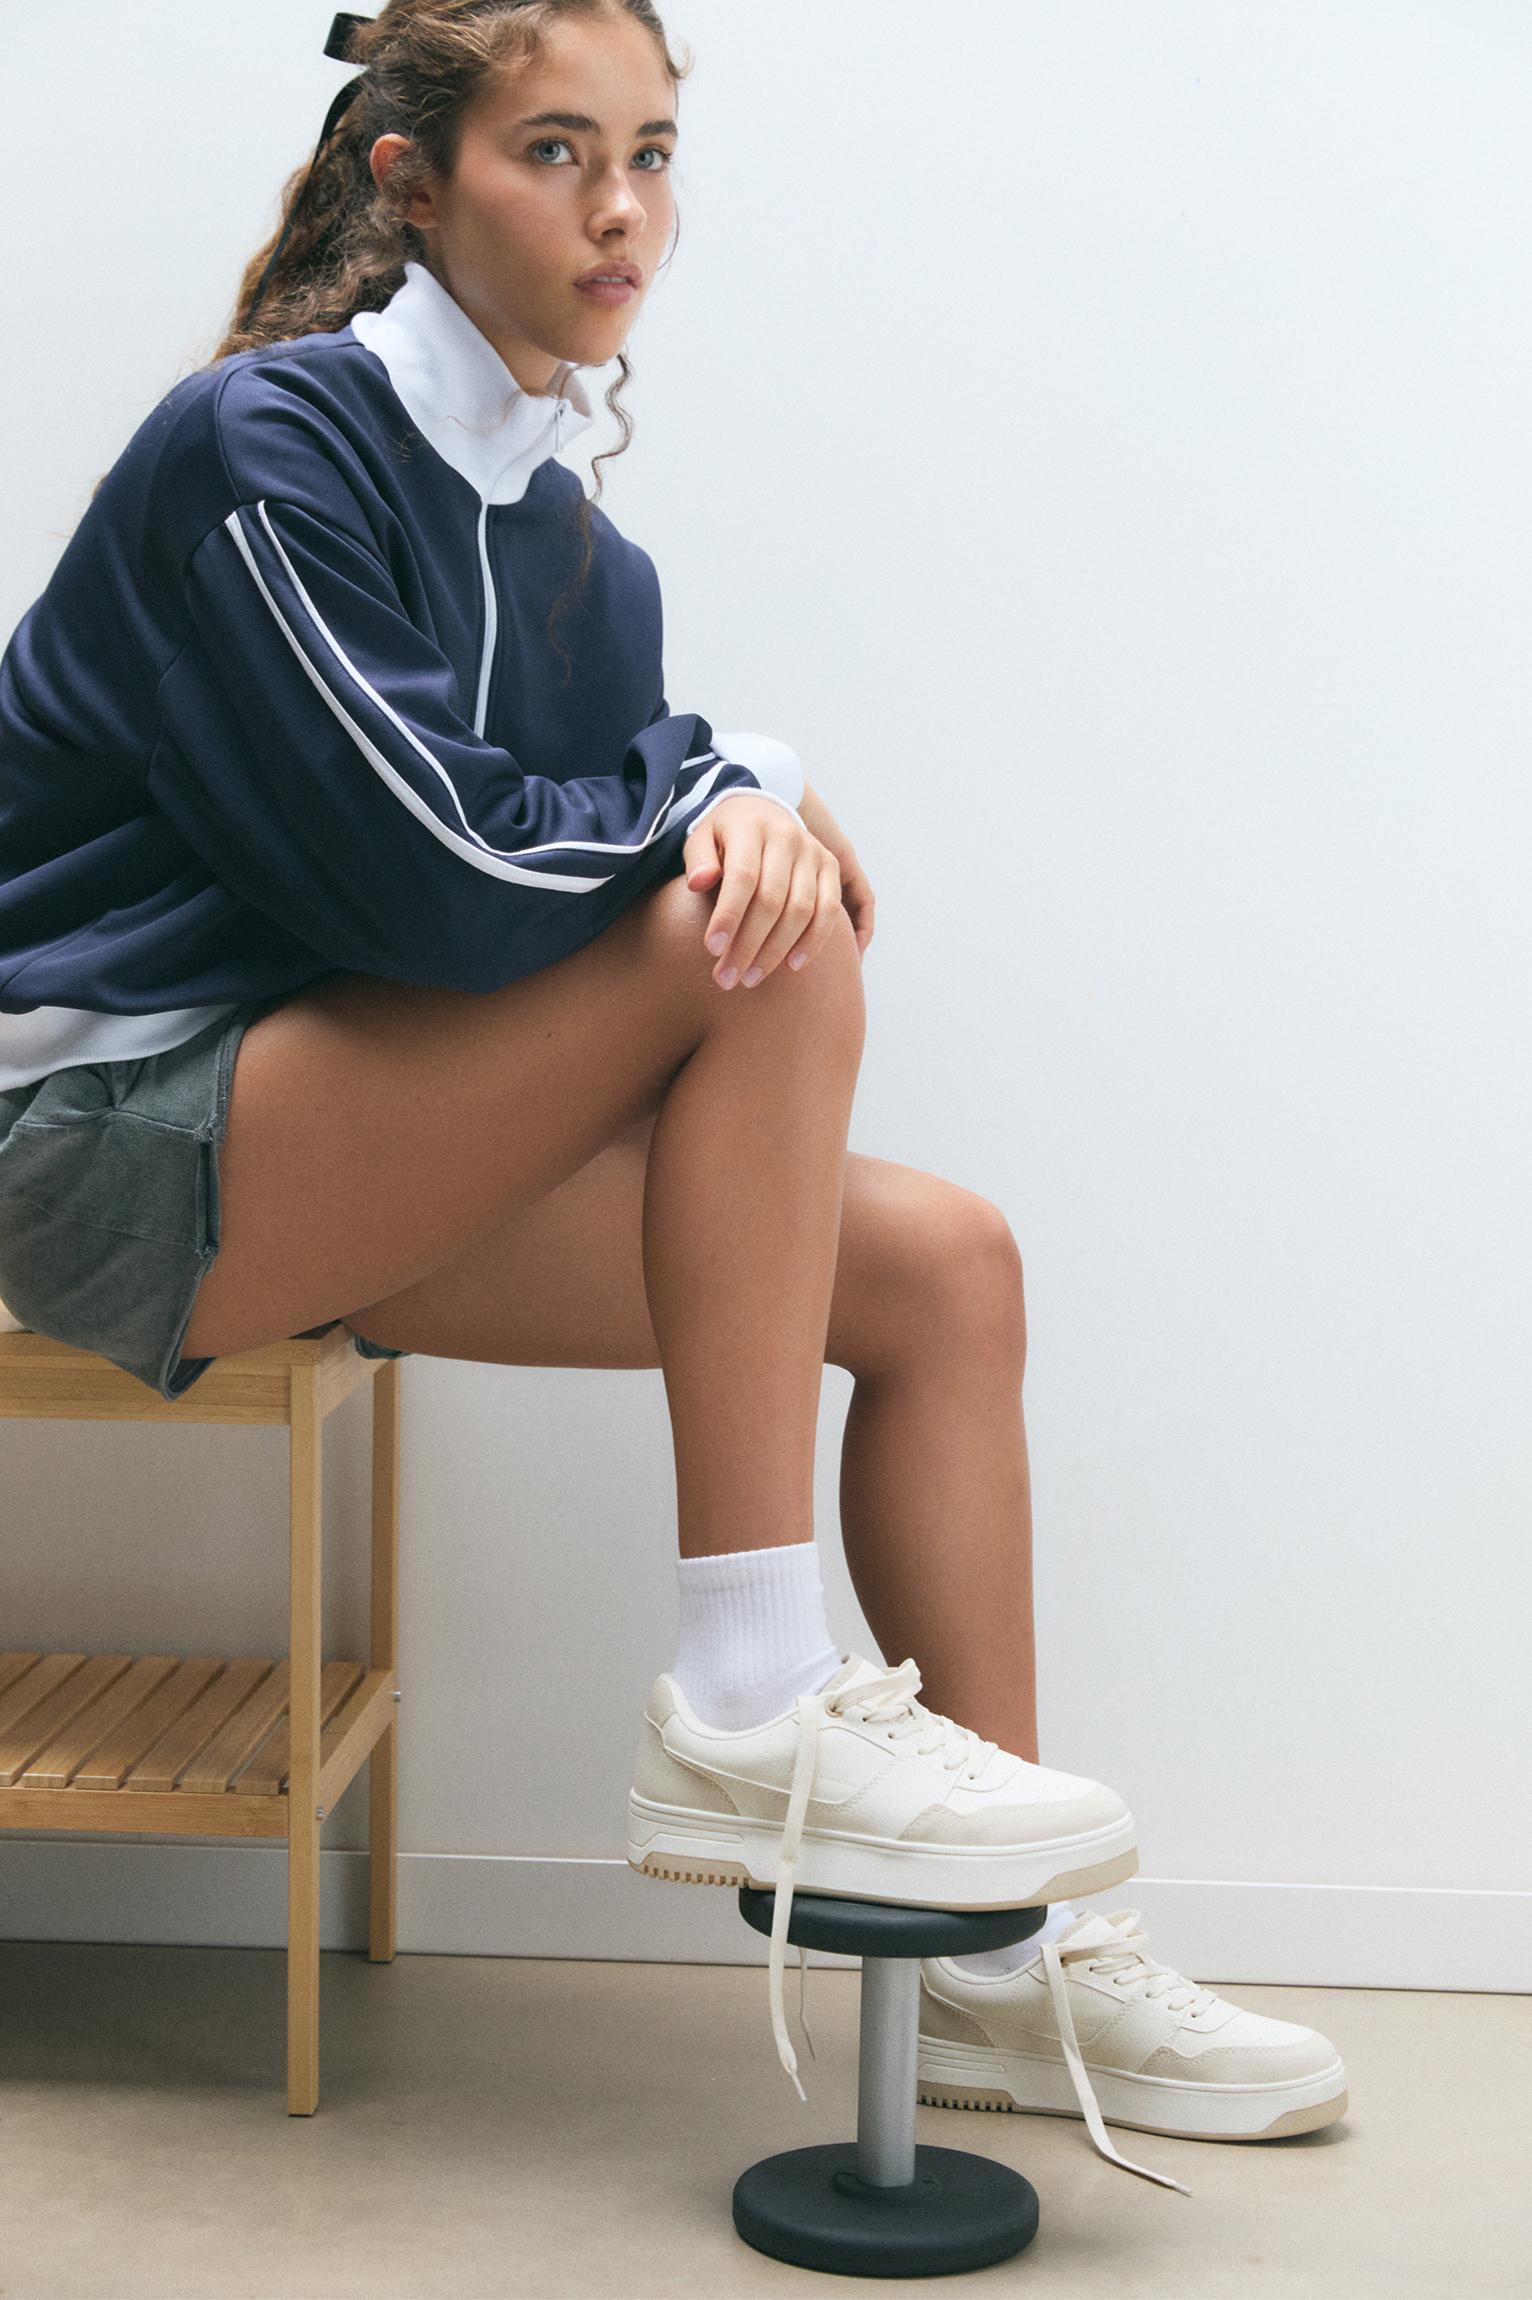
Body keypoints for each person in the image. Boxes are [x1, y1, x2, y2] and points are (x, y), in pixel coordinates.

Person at [0, 0, 1346, 2192]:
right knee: (762, 922)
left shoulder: (572, 548)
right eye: (554, 150)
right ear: (411, 178)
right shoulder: (267, 445)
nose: (620, 209)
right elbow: (440, 881)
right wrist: (732, 792)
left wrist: (720, 777)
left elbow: (545, 873)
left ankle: (1009, 1966)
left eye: (648, 153)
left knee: (943, 1268)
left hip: (337, 1142)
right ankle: (747, 1690)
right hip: (110, 1140)